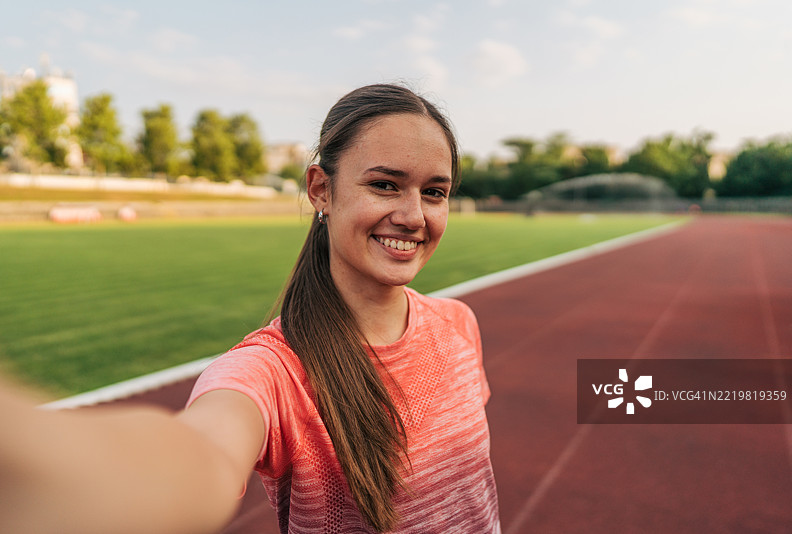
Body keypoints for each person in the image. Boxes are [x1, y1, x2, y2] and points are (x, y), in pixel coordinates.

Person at [0, 83, 499, 534]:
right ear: (320, 188)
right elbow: (201, 455)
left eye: (434, 192)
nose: (414, 215)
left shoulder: (459, 324)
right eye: (385, 184)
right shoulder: (271, 372)